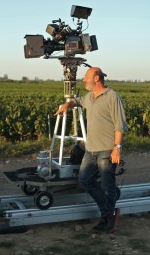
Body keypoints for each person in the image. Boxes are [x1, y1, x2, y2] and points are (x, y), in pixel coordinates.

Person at [55, 67, 127, 233]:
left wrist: (117, 148)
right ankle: (109, 210)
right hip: (91, 149)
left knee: (108, 187)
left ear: (96, 78)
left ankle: (107, 221)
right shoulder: (90, 97)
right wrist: (67, 104)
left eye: (86, 76)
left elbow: (120, 125)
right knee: (84, 180)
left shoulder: (112, 97)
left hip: (107, 150)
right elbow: (77, 101)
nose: (83, 80)